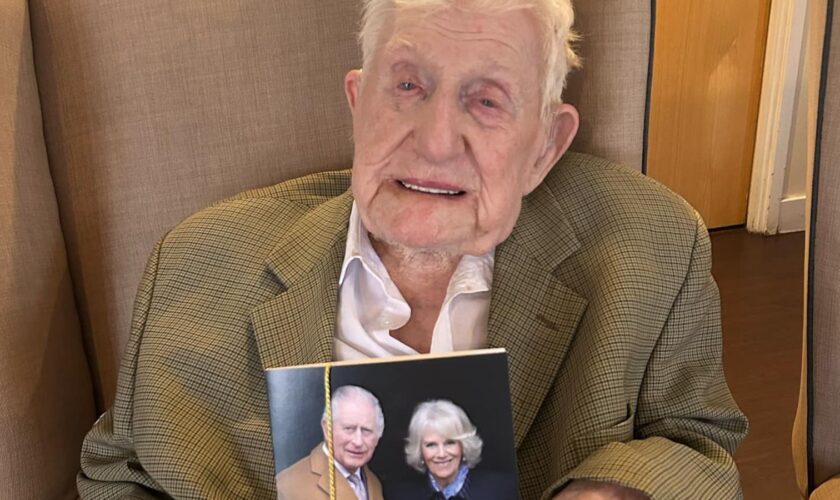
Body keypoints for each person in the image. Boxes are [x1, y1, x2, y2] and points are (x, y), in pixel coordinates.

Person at [78, 0, 748, 498]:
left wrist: (618, 491)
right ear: (358, 101)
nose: (435, 141)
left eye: (486, 101)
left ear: (544, 145)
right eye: (406, 86)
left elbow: (699, 442)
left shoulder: (649, 243)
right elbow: (118, 475)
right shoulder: (197, 261)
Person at [389, 400, 518, 499]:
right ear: (419, 451)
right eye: (431, 445)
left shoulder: (502, 490)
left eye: (450, 443)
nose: (441, 454)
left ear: (463, 445)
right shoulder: (401, 496)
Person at [275, 385, 385, 500]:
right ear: (327, 429)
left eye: (366, 431)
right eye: (349, 429)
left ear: (378, 437)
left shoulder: (373, 482)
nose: (358, 441)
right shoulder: (287, 486)